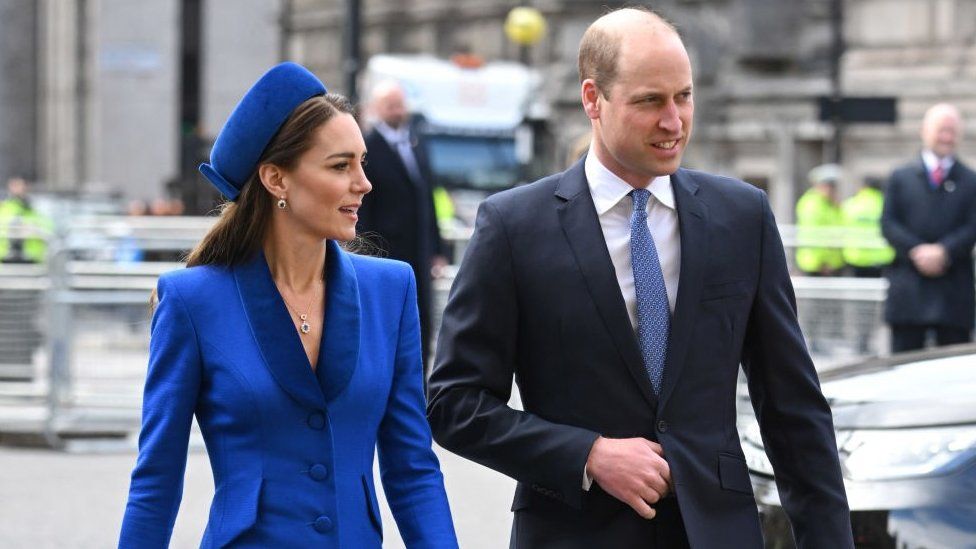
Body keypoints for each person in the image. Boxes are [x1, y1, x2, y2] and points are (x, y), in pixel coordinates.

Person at [427, 8, 852, 549]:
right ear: (592, 100)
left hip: (716, 533)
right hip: (573, 533)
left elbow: (794, 409)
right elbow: (454, 404)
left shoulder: (742, 217)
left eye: (684, 96)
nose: (673, 121)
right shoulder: (513, 227)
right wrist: (586, 455)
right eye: (650, 101)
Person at [119, 63, 457, 548]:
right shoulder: (192, 301)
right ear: (276, 179)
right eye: (341, 166)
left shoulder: (391, 289)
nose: (364, 182)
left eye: (362, 162)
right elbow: (156, 481)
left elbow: (413, 469)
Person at [358, 80, 447, 369]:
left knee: (421, 328)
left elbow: (427, 198)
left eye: (400, 104)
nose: (397, 110)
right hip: (386, 254)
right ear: (376, 109)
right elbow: (364, 209)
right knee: (389, 328)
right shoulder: (367, 148)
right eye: (390, 105)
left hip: (419, 256)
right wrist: (366, 253)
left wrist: (437, 247)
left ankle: (420, 392)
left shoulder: (416, 143)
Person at [881, 103, 976, 353]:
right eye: (941, 130)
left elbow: (972, 226)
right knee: (902, 368)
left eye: (952, 131)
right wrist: (917, 251)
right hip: (909, 292)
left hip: (953, 294)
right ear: (924, 131)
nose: (947, 137)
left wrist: (944, 251)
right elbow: (888, 223)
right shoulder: (900, 177)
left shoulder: (971, 180)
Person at [795, 163, 845, 276]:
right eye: (829, 185)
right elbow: (813, 235)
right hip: (817, 265)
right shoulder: (812, 204)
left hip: (832, 263)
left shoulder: (830, 204)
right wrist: (822, 262)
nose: (832, 190)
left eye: (833, 186)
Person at [842, 176, 894, 278]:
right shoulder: (887, 204)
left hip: (856, 257)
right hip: (883, 258)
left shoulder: (850, 204)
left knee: (859, 291)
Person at [0, 176, 52, 263]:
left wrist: (32, 229)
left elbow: (48, 229)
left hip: (32, 261)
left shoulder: (32, 209)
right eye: (14, 185)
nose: (17, 189)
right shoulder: (4, 208)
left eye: (19, 185)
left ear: (27, 187)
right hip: (4, 262)